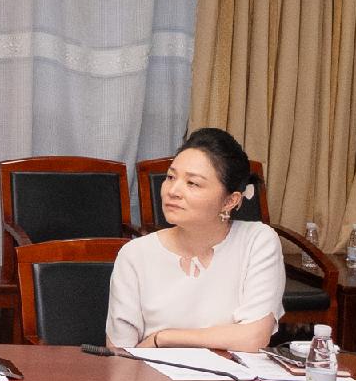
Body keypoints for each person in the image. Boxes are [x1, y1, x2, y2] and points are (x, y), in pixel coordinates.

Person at [101, 127, 286, 352]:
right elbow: (120, 351)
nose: (173, 191)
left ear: (229, 201)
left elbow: (254, 336)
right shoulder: (135, 254)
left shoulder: (258, 242)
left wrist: (164, 338)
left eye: (193, 183)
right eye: (171, 177)